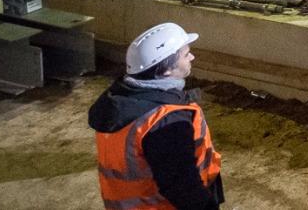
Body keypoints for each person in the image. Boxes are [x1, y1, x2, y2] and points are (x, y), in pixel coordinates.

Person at [89, 22, 223, 210]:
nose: (192, 57)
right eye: (186, 54)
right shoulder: (165, 122)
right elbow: (183, 187)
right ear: (167, 70)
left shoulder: (122, 99)